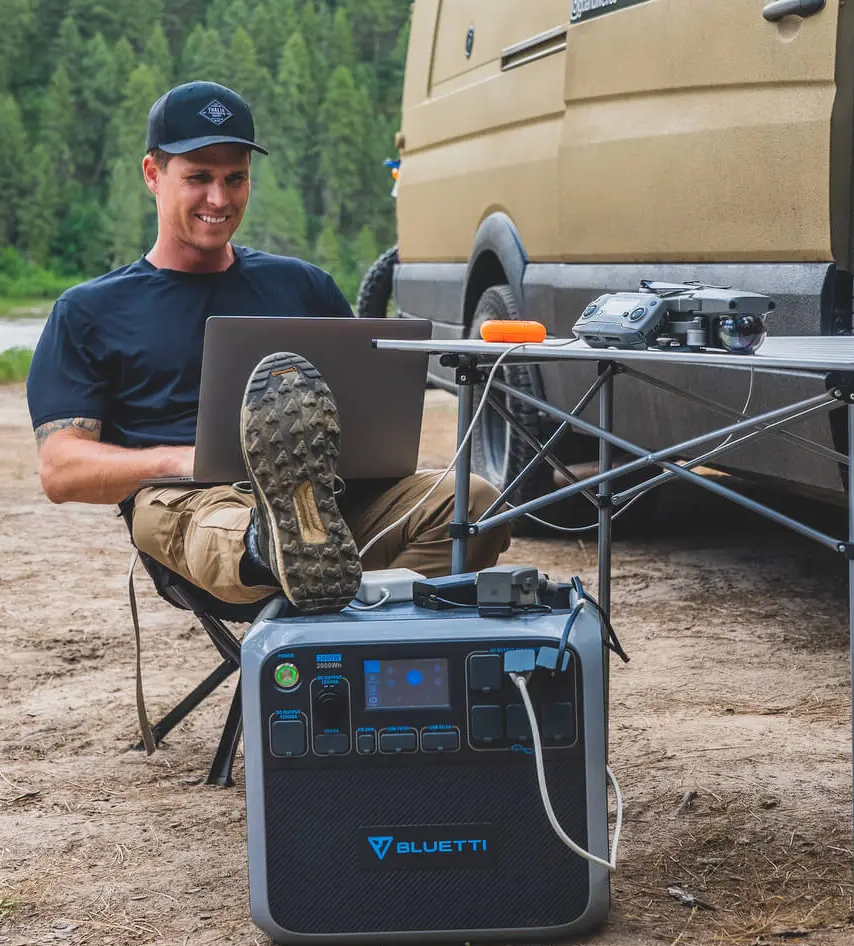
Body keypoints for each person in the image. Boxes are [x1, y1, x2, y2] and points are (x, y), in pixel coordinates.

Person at [27, 81, 511, 613]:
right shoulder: (89, 310)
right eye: (198, 178)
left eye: (235, 178)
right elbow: (61, 469)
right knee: (213, 521)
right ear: (152, 175)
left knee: (474, 502)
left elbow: (367, 418)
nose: (219, 198)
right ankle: (275, 547)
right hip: (191, 504)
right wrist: (179, 459)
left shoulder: (303, 287)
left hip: (330, 502)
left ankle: (350, 613)